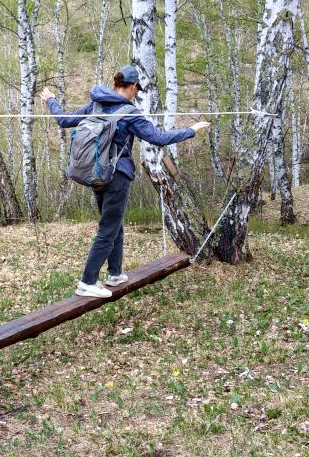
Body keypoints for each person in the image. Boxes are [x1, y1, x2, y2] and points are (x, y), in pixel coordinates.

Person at [42, 64, 209, 298]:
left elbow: (63, 120)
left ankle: (115, 273)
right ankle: (87, 281)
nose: (136, 94)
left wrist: (51, 99)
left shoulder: (95, 105)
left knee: (114, 223)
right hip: (117, 176)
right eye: (136, 90)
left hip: (96, 173)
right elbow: (158, 139)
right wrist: (191, 130)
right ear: (132, 87)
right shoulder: (129, 113)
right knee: (108, 228)